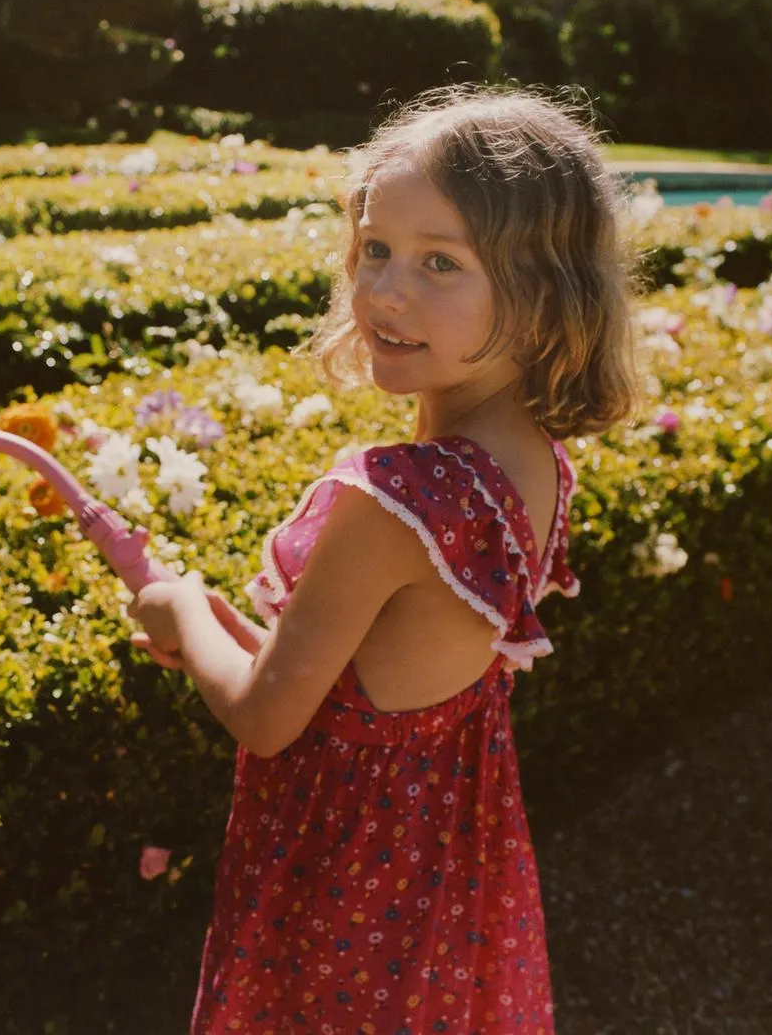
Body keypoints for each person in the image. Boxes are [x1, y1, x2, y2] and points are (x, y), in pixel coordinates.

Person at [128, 82, 641, 1034]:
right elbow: (367, 681)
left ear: (543, 294)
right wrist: (250, 638)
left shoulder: (392, 498)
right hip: (447, 881)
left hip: (345, 888)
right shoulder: (531, 464)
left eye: (440, 262)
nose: (385, 291)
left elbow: (268, 718)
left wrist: (184, 608)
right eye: (375, 249)